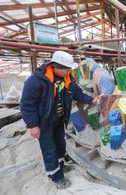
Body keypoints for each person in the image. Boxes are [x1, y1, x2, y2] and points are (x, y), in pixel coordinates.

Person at [21, 51, 97, 189]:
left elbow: (78, 94)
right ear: (56, 67)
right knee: (49, 149)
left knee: (60, 146)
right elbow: (27, 105)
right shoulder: (36, 81)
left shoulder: (67, 79)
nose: (69, 72)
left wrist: (92, 100)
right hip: (44, 123)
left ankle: (59, 168)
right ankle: (56, 177)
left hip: (59, 120)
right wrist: (33, 125)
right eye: (67, 69)